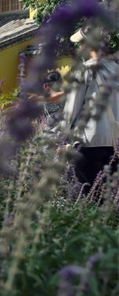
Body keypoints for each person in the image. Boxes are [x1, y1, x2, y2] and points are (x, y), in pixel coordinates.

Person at [55, 26, 119, 190]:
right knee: (110, 198)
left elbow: (71, 109)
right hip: (115, 144)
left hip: (88, 143)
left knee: (90, 195)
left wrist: (61, 138)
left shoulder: (84, 70)